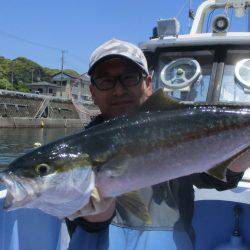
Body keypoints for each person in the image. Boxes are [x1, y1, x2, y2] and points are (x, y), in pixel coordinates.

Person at [66, 38, 248, 250]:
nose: (118, 90)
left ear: (149, 84)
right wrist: (97, 214)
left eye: (129, 78)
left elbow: (220, 178)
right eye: (106, 81)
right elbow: (84, 220)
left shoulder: (177, 129)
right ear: (92, 92)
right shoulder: (75, 151)